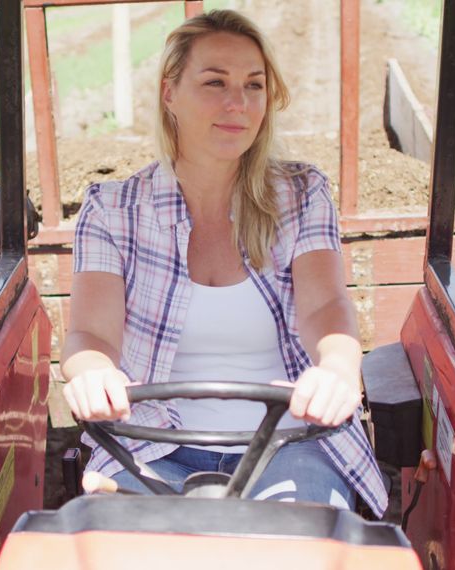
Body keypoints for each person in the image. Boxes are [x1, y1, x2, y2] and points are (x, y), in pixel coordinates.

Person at [60, 9, 387, 517]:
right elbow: (91, 337)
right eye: (215, 82)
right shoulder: (114, 210)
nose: (238, 103)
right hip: (150, 443)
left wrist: (339, 370)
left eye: (254, 86)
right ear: (170, 92)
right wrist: (92, 373)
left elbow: (325, 307)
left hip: (289, 442)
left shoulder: (301, 195)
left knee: (302, 545)